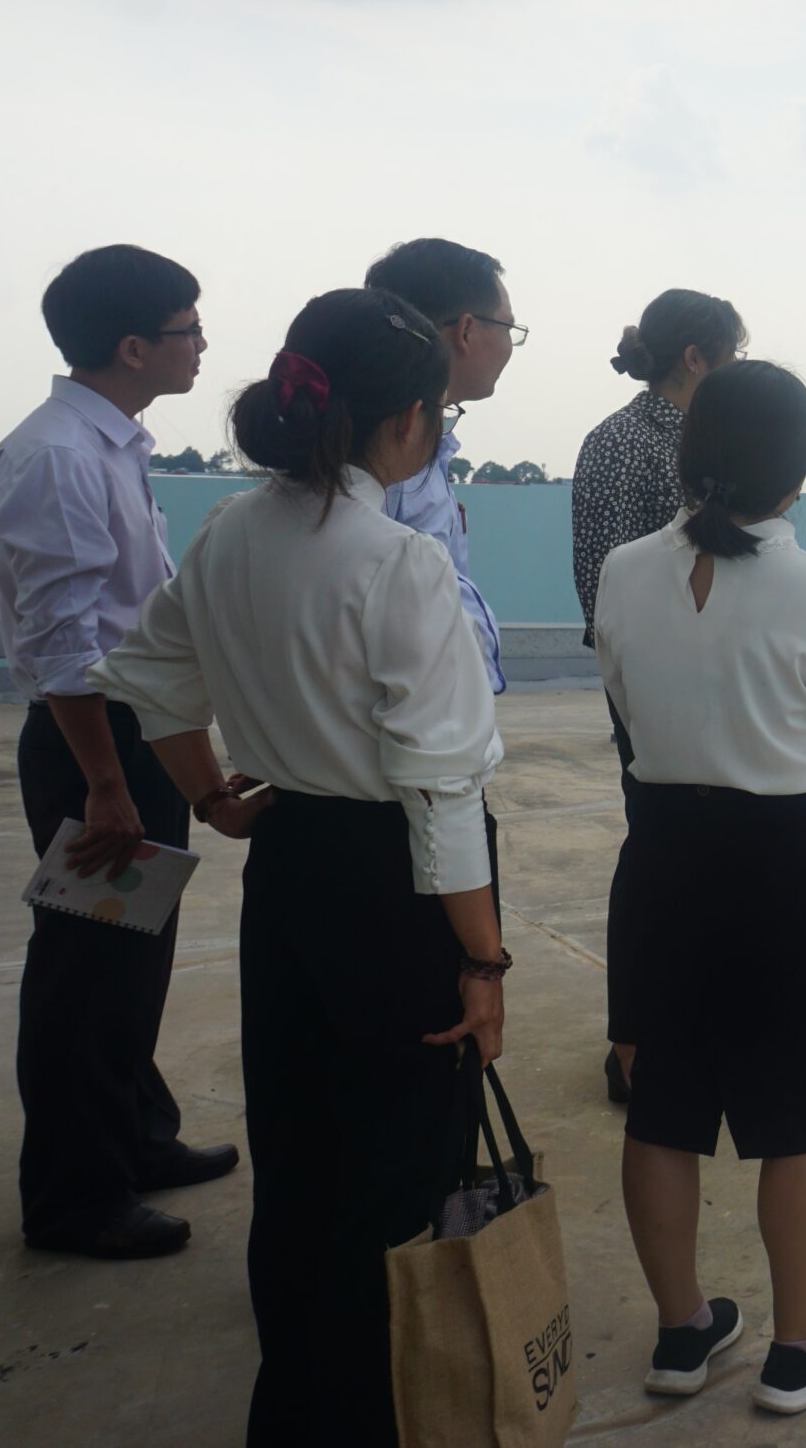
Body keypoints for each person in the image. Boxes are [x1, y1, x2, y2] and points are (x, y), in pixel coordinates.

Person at [87, 288, 510, 1445]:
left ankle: (295, 1408)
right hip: (394, 885)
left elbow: (151, 675)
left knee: (300, 1155)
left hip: (288, 871)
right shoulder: (398, 561)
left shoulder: (231, 529)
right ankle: (374, 1414)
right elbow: (440, 794)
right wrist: (484, 964)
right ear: (409, 421)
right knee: (397, 1170)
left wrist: (213, 797)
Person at [594, 360, 806, 1416]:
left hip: (662, 854)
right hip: (787, 863)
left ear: (688, 454)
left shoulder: (624, 571)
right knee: (799, 1114)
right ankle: (798, 1349)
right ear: (798, 470)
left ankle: (683, 1332)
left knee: (661, 1108)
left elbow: (624, 703)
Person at [0, 244, 240, 1260]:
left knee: (132, 958)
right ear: (133, 347)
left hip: (130, 734)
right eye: (187, 330)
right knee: (85, 974)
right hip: (92, 742)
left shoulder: (110, 444)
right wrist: (103, 782)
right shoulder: (56, 458)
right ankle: (74, 1198)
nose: (200, 345)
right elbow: (64, 640)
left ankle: (134, 1137)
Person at [570, 287, 745, 1103]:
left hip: (712, 680)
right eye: (733, 355)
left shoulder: (700, 442)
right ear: (696, 360)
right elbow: (610, 592)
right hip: (656, 690)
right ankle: (636, 1043)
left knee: (705, 859)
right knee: (657, 855)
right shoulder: (625, 443)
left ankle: (696, 1020)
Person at [364, 237, 520, 695]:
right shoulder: (394, 460)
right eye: (508, 328)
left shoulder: (420, 449)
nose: (510, 345)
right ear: (466, 331)